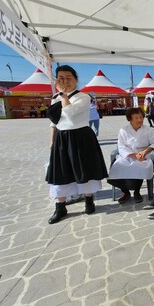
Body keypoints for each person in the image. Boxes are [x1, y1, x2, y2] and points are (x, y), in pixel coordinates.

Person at [45, 65, 108, 224]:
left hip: (80, 136)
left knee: (84, 169)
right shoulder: (55, 97)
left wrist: (64, 95)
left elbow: (69, 114)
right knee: (60, 171)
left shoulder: (83, 97)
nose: (64, 81)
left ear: (76, 79)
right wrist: (52, 142)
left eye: (68, 78)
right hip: (61, 138)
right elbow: (53, 122)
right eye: (60, 78)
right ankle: (60, 205)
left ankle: (88, 199)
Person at [107, 107, 154, 204]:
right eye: (136, 118)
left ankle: (137, 192)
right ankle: (125, 192)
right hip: (128, 155)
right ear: (130, 119)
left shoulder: (148, 130)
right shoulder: (123, 130)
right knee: (117, 167)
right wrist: (133, 155)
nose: (140, 120)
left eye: (141, 117)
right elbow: (121, 146)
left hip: (143, 155)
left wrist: (145, 151)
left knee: (139, 166)